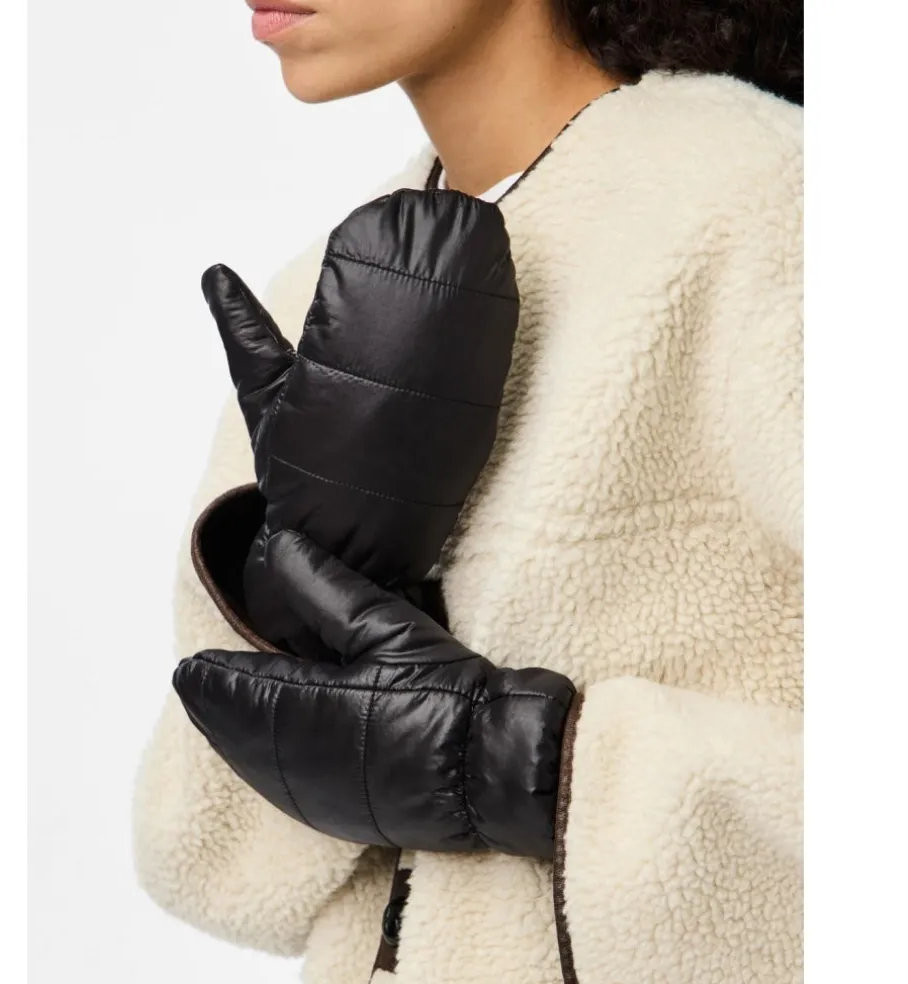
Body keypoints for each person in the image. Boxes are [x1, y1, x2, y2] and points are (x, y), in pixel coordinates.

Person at [132, 2, 804, 983]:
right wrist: (295, 596)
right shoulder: (319, 298)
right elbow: (209, 867)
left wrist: (537, 766)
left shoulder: (774, 210)